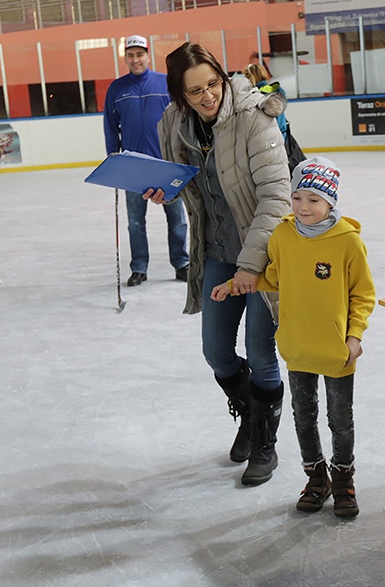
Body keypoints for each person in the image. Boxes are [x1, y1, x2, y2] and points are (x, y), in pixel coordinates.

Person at [149, 42, 290, 486]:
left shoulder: (254, 116)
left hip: (264, 256)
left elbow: (275, 196)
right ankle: (251, 416)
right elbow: (179, 179)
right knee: (216, 352)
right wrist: (163, 190)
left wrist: (251, 266)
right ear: (179, 95)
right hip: (216, 252)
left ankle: (265, 443)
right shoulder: (174, 123)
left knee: (262, 352)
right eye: (195, 91)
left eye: (213, 83)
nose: (208, 96)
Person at [211, 156, 376, 517]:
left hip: (335, 351)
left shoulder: (347, 242)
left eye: (313, 200)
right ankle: (316, 478)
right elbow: (272, 277)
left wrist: (354, 336)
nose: (303, 207)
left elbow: (363, 295)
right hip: (297, 347)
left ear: (331, 202)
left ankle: (344, 479)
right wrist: (233, 285)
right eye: (297, 197)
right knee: (303, 418)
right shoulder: (283, 235)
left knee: (340, 420)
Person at [103, 34, 190, 286]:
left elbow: (181, 120)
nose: (135, 59)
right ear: (125, 58)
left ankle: (181, 263)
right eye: (130, 55)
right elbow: (110, 126)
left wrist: (182, 153)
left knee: (177, 218)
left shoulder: (165, 84)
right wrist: (114, 159)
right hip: (134, 168)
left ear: (148, 55)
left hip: (166, 164)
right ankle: (139, 267)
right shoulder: (117, 89)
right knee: (134, 222)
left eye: (139, 54)